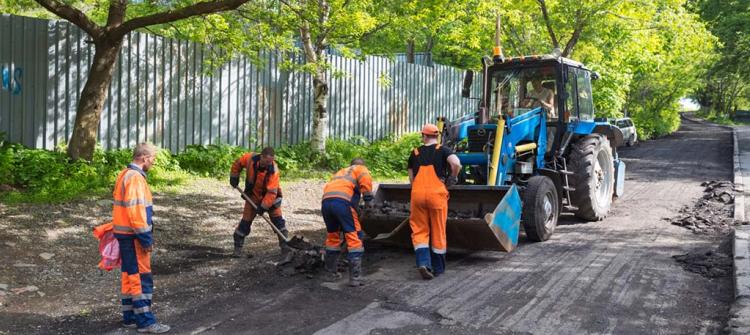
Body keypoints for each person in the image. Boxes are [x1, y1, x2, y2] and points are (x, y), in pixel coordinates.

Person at [112, 143, 170, 333]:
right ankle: (145, 322)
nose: (153, 162)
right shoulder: (136, 178)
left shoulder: (124, 174)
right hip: (134, 236)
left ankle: (130, 317)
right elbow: (137, 212)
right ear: (144, 158)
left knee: (129, 276)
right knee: (141, 278)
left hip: (124, 234)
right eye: (152, 158)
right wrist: (146, 238)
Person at [408, 124, 461, 280]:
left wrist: (417, 188)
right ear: (437, 137)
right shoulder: (443, 150)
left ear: (424, 136)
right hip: (436, 196)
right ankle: (438, 268)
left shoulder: (414, 153)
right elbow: (456, 163)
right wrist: (453, 177)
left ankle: (423, 262)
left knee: (419, 230)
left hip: (417, 195)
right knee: (438, 230)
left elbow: (411, 177)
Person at [229, 147, 291, 260]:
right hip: (253, 197)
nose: (269, 164)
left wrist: (263, 207)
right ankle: (237, 249)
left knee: (279, 223)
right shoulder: (250, 159)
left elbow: (272, 192)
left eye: (270, 162)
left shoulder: (274, 171)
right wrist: (234, 176)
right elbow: (237, 163)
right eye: (267, 161)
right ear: (261, 156)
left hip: (271, 200)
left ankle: (286, 249)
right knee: (245, 223)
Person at [321, 158, 374, 286]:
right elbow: (366, 184)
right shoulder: (361, 169)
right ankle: (355, 278)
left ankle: (331, 274)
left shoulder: (341, 171)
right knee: (354, 237)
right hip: (343, 204)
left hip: (326, 203)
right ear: (361, 164)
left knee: (333, 237)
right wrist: (368, 202)